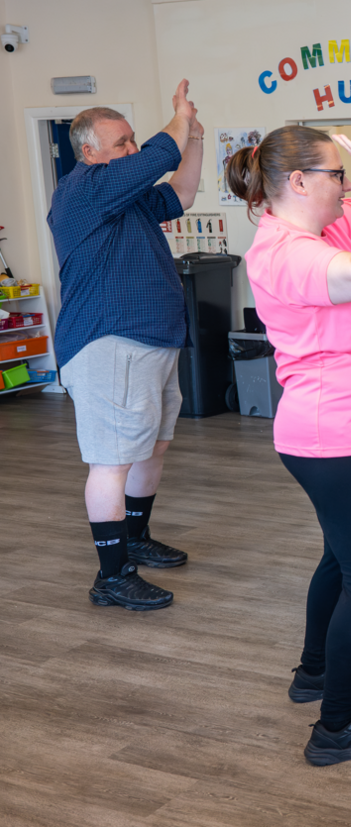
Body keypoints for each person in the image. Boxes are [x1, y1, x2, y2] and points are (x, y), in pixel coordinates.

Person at [228, 118, 351, 766]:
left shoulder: (321, 225)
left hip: (344, 432)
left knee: (341, 558)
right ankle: (334, 727)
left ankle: (315, 672)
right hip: (330, 435)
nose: (346, 187)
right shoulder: (282, 252)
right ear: (300, 181)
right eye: (337, 174)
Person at [48, 81, 203, 611]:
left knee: (151, 448)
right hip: (108, 343)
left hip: (152, 341)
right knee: (112, 462)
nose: (133, 151)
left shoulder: (127, 195)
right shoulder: (86, 189)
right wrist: (178, 118)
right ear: (90, 152)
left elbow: (179, 195)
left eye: (133, 140)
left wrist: (195, 138)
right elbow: (162, 153)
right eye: (122, 144)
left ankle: (135, 537)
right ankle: (111, 576)